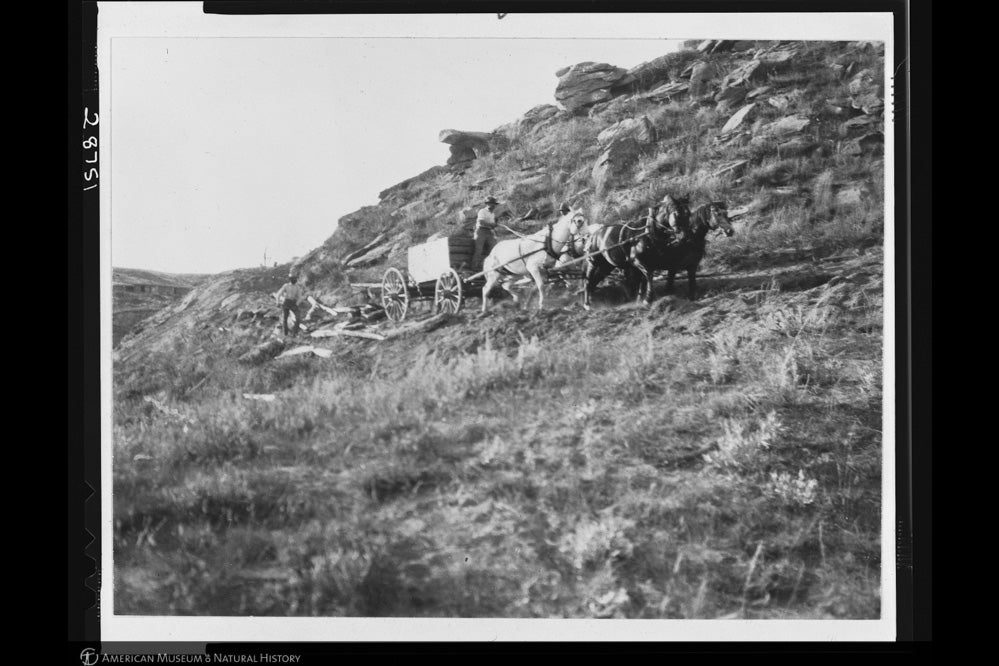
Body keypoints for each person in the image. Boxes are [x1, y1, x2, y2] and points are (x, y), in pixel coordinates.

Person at [472, 195, 501, 269]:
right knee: (479, 249)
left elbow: (492, 225)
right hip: (481, 231)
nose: (492, 205)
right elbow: (481, 222)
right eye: (490, 203)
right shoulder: (482, 211)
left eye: (493, 204)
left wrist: (495, 225)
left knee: (494, 248)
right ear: (487, 204)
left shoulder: (492, 214)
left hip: (489, 232)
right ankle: (475, 266)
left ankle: (492, 266)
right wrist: (492, 224)